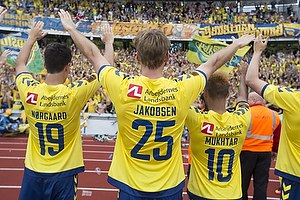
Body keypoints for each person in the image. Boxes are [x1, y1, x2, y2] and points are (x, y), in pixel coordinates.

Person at [59, 8, 255, 199]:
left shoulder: (122, 86)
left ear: (137, 57)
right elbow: (213, 63)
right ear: (167, 58)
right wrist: (236, 45)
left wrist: (72, 29)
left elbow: (93, 55)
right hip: (169, 185)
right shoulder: (182, 88)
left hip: (130, 184)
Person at [15, 17, 112, 200]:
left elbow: (20, 64)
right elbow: (105, 68)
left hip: (34, 172)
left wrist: (31, 39)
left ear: (45, 66)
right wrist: (108, 43)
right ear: (68, 67)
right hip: (64, 174)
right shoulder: (74, 93)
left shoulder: (29, 91)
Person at [185, 62, 251, 200]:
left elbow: (182, 98)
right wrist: (243, 75)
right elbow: (242, 98)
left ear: (205, 93)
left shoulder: (196, 119)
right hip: (231, 194)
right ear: (228, 93)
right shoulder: (242, 119)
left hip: (200, 193)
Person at [246, 34, 300, 199]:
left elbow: (251, 79)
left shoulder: (293, 99)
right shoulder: (277, 112)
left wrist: (257, 52)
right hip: (266, 152)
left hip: (294, 172)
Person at [241, 92, 281, 200]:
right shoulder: (274, 115)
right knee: (261, 184)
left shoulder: (246, 113)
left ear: (253, 100)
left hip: (246, 152)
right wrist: (274, 151)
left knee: (242, 183)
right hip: (265, 153)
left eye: (248, 100)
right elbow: (277, 136)